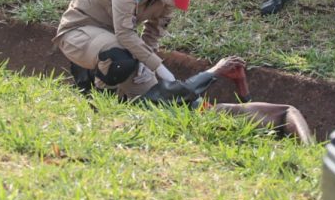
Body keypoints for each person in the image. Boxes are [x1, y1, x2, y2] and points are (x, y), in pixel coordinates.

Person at [54, 0, 203, 99]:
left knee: (152, 96)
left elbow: (155, 31)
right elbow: (124, 32)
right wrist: (157, 66)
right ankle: (101, 101)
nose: (175, 1)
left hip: (117, 40)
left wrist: (147, 57)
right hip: (79, 32)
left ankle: (119, 95)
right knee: (119, 59)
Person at [134, 56, 314, 144]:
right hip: (207, 114)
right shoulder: (142, 96)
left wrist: (241, 84)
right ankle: (310, 153)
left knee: (275, 125)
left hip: (210, 116)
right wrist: (215, 70)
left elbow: (250, 117)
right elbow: (183, 91)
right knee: (286, 112)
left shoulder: (141, 92)